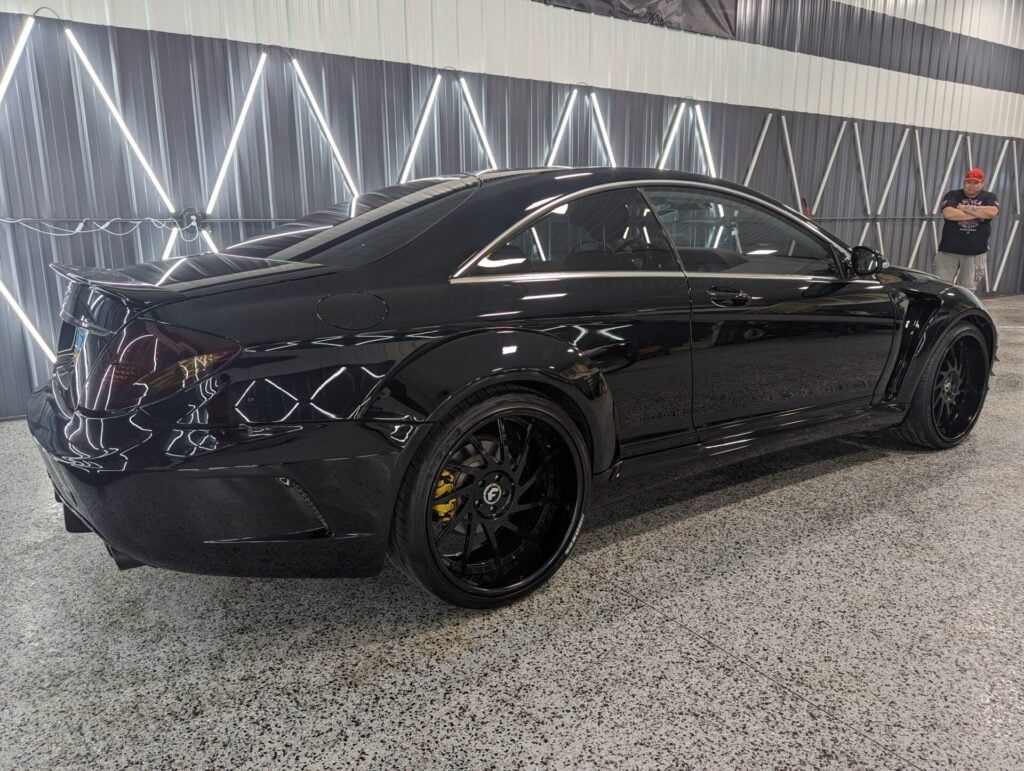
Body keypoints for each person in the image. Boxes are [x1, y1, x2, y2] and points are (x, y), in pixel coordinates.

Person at [935, 168, 1000, 291]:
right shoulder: (952, 195)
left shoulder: (989, 197)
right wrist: (979, 213)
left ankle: (963, 310)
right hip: (948, 251)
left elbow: (992, 212)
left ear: (982, 183)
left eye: (976, 182)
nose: (972, 185)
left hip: (975, 253)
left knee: (968, 290)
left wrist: (963, 208)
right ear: (964, 182)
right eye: (969, 182)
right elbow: (948, 214)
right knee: (941, 288)